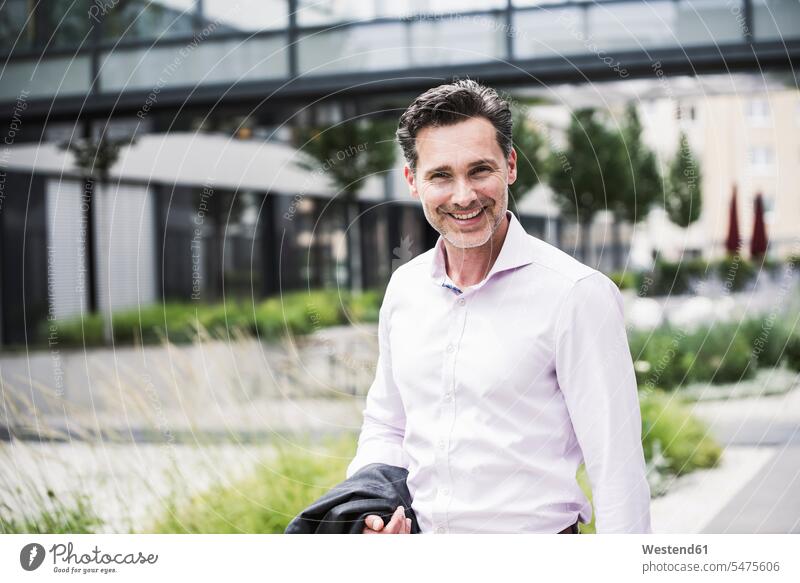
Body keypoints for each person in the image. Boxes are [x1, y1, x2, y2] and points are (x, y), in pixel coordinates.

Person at [348, 79, 652, 534]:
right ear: (413, 180)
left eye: (479, 170)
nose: (464, 195)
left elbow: (617, 470)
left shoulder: (576, 295)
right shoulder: (404, 289)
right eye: (441, 175)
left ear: (510, 166)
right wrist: (370, 512)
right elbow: (387, 425)